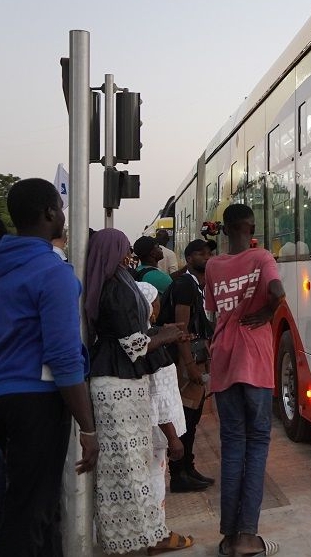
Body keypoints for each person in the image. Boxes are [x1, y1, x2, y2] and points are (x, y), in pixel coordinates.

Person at [0, 178, 98, 555]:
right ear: (48, 213)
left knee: (18, 507)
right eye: (59, 207)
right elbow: (62, 357)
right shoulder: (53, 273)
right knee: (33, 512)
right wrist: (88, 428)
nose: (62, 215)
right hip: (35, 403)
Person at [85, 227, 193, 555]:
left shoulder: (117, 280)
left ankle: (142, 536)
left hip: (125, 384)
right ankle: (128, 541)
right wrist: (167, 336)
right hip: (116, 385)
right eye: (123, 248)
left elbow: (136, 332)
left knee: (135, 465)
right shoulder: (113, 287)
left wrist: (164, 331)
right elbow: (134, 344)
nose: (126, 253)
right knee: (126, 469)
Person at [204, 204, 284, 557]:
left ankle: (228, 535)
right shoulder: (262, 256)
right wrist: (266, 312)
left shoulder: (212, 265)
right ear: (251, 227)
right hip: (255, 358)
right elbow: (279, 292)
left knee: (233, 446)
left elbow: (213, 310)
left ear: (223, 231)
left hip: (224, 358)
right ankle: (248, 537)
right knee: (258, 445)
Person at [136, 281, 190, 550]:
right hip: (159, 431)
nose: (159, 305)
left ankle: (152, 530)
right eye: (156, 301)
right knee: (156, 477)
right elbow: (157, 396)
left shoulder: (147, 337)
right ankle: (157, 535)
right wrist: (173, 437)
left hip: (155, 428)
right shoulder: (151, 346)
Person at [165, 239, 216, 493]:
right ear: (188, 258)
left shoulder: (198, 286)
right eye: (200, 253)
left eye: (209, 253)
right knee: (184, 417)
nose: (206, 257)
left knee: (193, 418)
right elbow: (181, 330)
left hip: (194, 358)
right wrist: (190, 366)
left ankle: (188, 467)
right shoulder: (185, 285)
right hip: (184, 361)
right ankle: (179, 473)